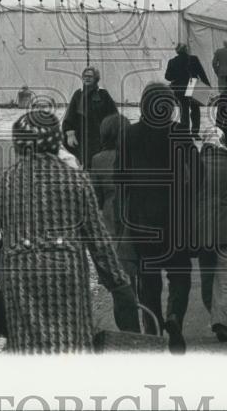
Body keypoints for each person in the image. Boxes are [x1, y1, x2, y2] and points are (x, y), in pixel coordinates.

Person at [0, 111, 135, 353]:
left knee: (27, 349)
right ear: (56, 141)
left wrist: (3, 258)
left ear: (18, 144)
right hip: (68, 275)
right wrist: (118, 284)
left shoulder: (4, 183)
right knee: (71, 345)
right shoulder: (76, 182)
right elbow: (99, 242)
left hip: (20, 276)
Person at [117, 82, 198, 353]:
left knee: (147, 277)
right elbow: (198, 173)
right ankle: (174, 316)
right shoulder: (179, 132)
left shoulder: (130, 133)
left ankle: (151, 332)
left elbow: (120, 178)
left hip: (141, 218)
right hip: (176, 216)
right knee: (180, 273)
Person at [197, 126, 227, 343]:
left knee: (207, 279)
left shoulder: (195, 166)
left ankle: (217, 318)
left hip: (201, 231)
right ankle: (223, 321)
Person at [91, 113, 140, 331]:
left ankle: (130, 334)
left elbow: (95, 199)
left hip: (113, 229)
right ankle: (151, 328)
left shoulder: (98, 160)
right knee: (146, 282)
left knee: (121, 287)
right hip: (139, 220)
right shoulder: (136, 155)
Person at [62, 65, 118, 168]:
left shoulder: (103, 94)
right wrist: (70, 134)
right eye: (84, 76)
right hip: (82, 137)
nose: (86, 78)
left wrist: (111, 134)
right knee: (84, 164)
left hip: (99, 137)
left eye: (90, 76)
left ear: (96, 78)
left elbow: (114, 116)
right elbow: (70, 116)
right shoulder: (78, 94)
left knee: (97, 164)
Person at [165, 43, 211, 138]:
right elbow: (201, 73)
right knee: (195, 109)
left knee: (184, 109)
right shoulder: (194, 59)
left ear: (177, 51)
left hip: (179, 86)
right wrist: (207, 85)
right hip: (192, 84)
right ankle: (195, 132)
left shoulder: (172, 61)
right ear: (186, 50)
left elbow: (168, 77)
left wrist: (176, 75)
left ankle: (185, 130)